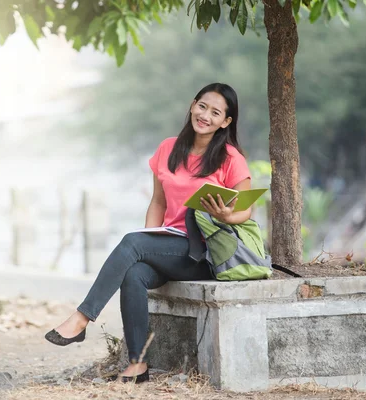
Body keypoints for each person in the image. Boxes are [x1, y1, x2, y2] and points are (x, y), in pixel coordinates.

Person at [45, 83, 253, 383]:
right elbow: (158, 202)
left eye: (215, 112)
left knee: (132, 242)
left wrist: (226, 214)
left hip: (204, 252)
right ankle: (138, 363)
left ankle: (82, 317)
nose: (205, 115)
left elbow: (245, 210)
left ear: (226, 122)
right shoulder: (168, 148)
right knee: (134, 273)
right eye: (202, 106)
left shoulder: (231, 158)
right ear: (192, 105)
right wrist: (149, 242)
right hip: (170, 245)